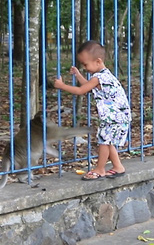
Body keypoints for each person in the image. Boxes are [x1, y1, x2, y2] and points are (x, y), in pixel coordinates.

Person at [53, 40, 132, 180]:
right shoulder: (104, 75)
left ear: (98, 61)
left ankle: (100, 169)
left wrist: (62, 85)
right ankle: (118, 167)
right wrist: (77, 75)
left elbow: (81, 90)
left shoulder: (99, 77)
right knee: (108, 141)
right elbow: (88, 86)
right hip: (118, 116)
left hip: (114, 117)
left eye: (85, 64)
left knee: (103, 142)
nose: (84, 67)